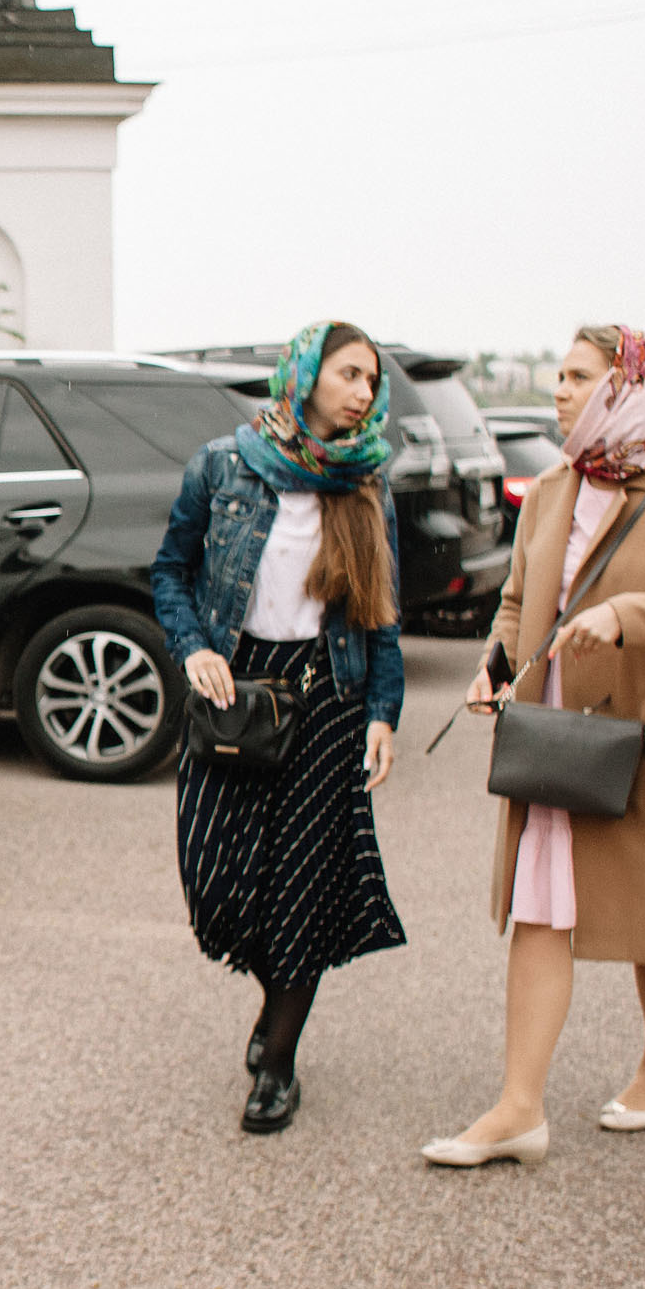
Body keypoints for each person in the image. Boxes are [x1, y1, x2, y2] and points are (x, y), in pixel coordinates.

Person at [424, 325, 645, 1167]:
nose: (560, 391)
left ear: (629, 386)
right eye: (559, 377)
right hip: (549, 736)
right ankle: (518, 1110)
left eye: (580, 378)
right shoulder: (550, 488)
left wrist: (630, 617)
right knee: (539, 911)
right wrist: (493, 669)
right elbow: (515, 603)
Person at [151, 321, 407, 1135]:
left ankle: (279, 1058)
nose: (364, 392)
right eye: (349, 374)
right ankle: (276, 1001)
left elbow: (382, 617)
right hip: (239, 682)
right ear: (303, 376)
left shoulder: (366, 483)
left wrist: (382, 715)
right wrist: (192, 648)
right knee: (219, 882)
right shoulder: (222, 467)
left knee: (303, 885)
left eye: (372, 379)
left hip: (329, 697)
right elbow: (169, 573)